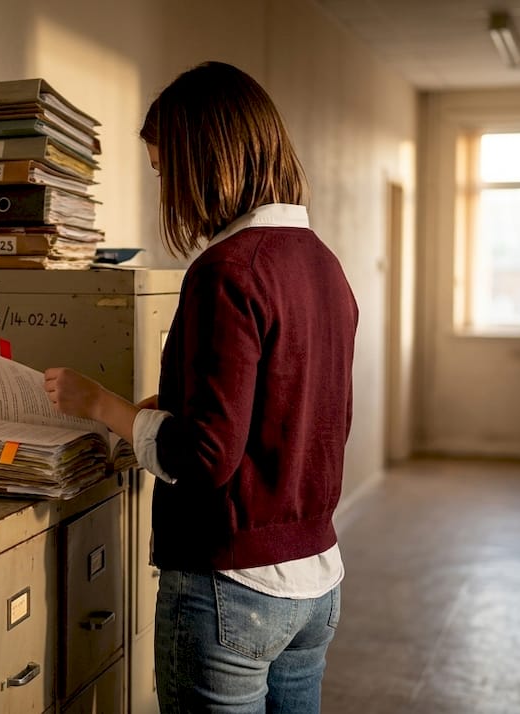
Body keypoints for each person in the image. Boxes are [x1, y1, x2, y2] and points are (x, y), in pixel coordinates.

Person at [43, 61, 358, 714]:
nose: (166, 190)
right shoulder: (324, 265)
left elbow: (208, 457)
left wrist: (103, 406)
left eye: (164, 171)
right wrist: (179, 408)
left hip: (232, 586)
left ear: (202, 163)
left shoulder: (229, 270)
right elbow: (289, 411)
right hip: (315, 582)